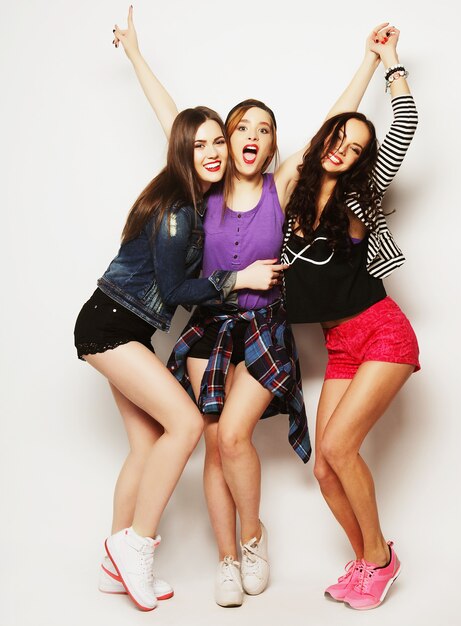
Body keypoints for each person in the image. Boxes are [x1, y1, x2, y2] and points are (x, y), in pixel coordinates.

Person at [113, 7, 390, 608]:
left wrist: (369, 60)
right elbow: (173, 119)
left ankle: (255, 534)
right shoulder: (203, 184)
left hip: (263, 325)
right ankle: (228, 559)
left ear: (270, 144)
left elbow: (330, 127)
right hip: (210, 324)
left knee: (235, 436)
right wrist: (135, 54)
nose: (252, 137)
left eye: (264, 129)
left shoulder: (281, 185)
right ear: (227, 137)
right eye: (244, 127)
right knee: (213, 440)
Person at [74, 105, 282, 611]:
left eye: (218, 142)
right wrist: (239, 279)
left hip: (126, 328)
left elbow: (176, 118)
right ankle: (136, 546)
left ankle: (111, 566)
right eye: (199, 146)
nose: (212, 153)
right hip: (109, 328)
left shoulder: (194, 198)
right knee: (187, 425)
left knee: (147, 447)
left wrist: (138, 57)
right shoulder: (176, 210)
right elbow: (174, 289)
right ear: (182, 152)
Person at [281, 27, 419, 610]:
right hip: (340, 343)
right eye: (339, 138)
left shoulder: (363, 194)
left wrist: (389, 62)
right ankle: (367, 560)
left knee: (339, 447)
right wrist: (357, 71)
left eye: (356, 146)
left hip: (383, 330)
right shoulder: (287, 193)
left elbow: (405, 119)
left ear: (365, 159)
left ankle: (381, 561)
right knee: (324, 467)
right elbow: (325, 133)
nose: (344, 148)